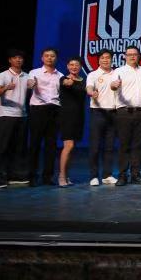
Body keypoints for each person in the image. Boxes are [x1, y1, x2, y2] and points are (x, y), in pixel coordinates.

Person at [0, 49, 30, 189]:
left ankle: (14, 175)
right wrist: (6, 87)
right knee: (2, 146)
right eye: (15, 57)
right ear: (10, 60)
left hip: (22, 115)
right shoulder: (3, 75)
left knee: (18, 147)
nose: (18, 60)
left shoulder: (26, 76)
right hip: (6, 114)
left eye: (20, 58)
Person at [111, 46, 141, 186]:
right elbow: (112, 86)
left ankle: (135, 174)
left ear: (139, 56)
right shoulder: (119, 71)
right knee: (124, 145)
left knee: (138, 145)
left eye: (135, 54)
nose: (132, 56)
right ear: (125, 56)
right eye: (129, 54)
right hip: (124, 112)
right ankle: (122, 175)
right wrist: (114, 85)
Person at [27, 48, 62, 186]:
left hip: (54, 110)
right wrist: (31, 84)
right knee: (35, 143)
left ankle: (47, 176)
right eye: (46, 56)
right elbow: (30, 83)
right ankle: (32, 176)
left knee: (51, 145)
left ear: (56, 58)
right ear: (42, 58)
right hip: (38, 109)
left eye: (52, 56)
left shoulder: (60, 75)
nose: (49, 58)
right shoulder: (34, 72)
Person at [85, 49, 118, 186]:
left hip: (114, 113)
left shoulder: (117, 73)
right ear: (98, 60)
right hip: (97, 112)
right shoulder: (93, 74)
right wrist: (91, 93)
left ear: (112, 59)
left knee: (109, 146)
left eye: (108, 57)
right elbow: (89, 88)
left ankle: (107, 175)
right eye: (103, 58)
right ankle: (93, 176)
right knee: (95, 146)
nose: (105, 60)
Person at [57, 56, 86, 187]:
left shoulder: (83, 81)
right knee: (68, 145)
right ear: (68, 66)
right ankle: (61, 176)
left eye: (77, 65)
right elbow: (66, 83)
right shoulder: (64, 79)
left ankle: (66, 175)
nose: (74, 67)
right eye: (71, 65)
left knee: (72, 147)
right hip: (66, 116)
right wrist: (68, 82)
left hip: (79, 117)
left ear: (80, 67)